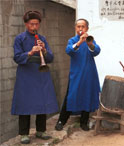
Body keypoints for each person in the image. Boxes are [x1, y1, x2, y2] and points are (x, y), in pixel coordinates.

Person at [11, 11, 59, 144]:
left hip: (41, 73)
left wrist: (43, 50)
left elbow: (50, 58)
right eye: (32, 24)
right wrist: (30, 52)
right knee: (25, 104)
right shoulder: (20, 38)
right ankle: (24, 133)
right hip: (26, 75)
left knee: (42, 102)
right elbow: (17, 57)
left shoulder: (42, 39)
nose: (34, 27)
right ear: (26, 24)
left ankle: (41, 130)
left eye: (37, 24)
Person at [55, 18, 101, 131]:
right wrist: (80, 42)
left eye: (83, 27)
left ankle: (84, 122)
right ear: (75, 28)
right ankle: (61, 121)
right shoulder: (72, 40)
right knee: (70, 96)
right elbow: (69, 50)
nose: (80, 29)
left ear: (87, 28)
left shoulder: (90, 40)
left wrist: (90, 44)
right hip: (76, 74)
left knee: (87, 96)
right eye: (78, 26)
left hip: (89, 74)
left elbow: (97, 51)